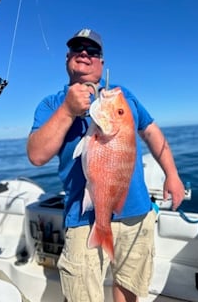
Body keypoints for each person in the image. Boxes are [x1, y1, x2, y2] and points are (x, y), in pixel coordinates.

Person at [27, 28, 185, 302]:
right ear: (68, 59)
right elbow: (37, 156)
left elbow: (152, 132)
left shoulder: (122, 96)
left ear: (102, 62)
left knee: (128, 288)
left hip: (135, 212)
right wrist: (67, 110)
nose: (85, 54)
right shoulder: (51, 104)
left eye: (93, 51)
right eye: (78, 49)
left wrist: (172, 174)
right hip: (83, 218)